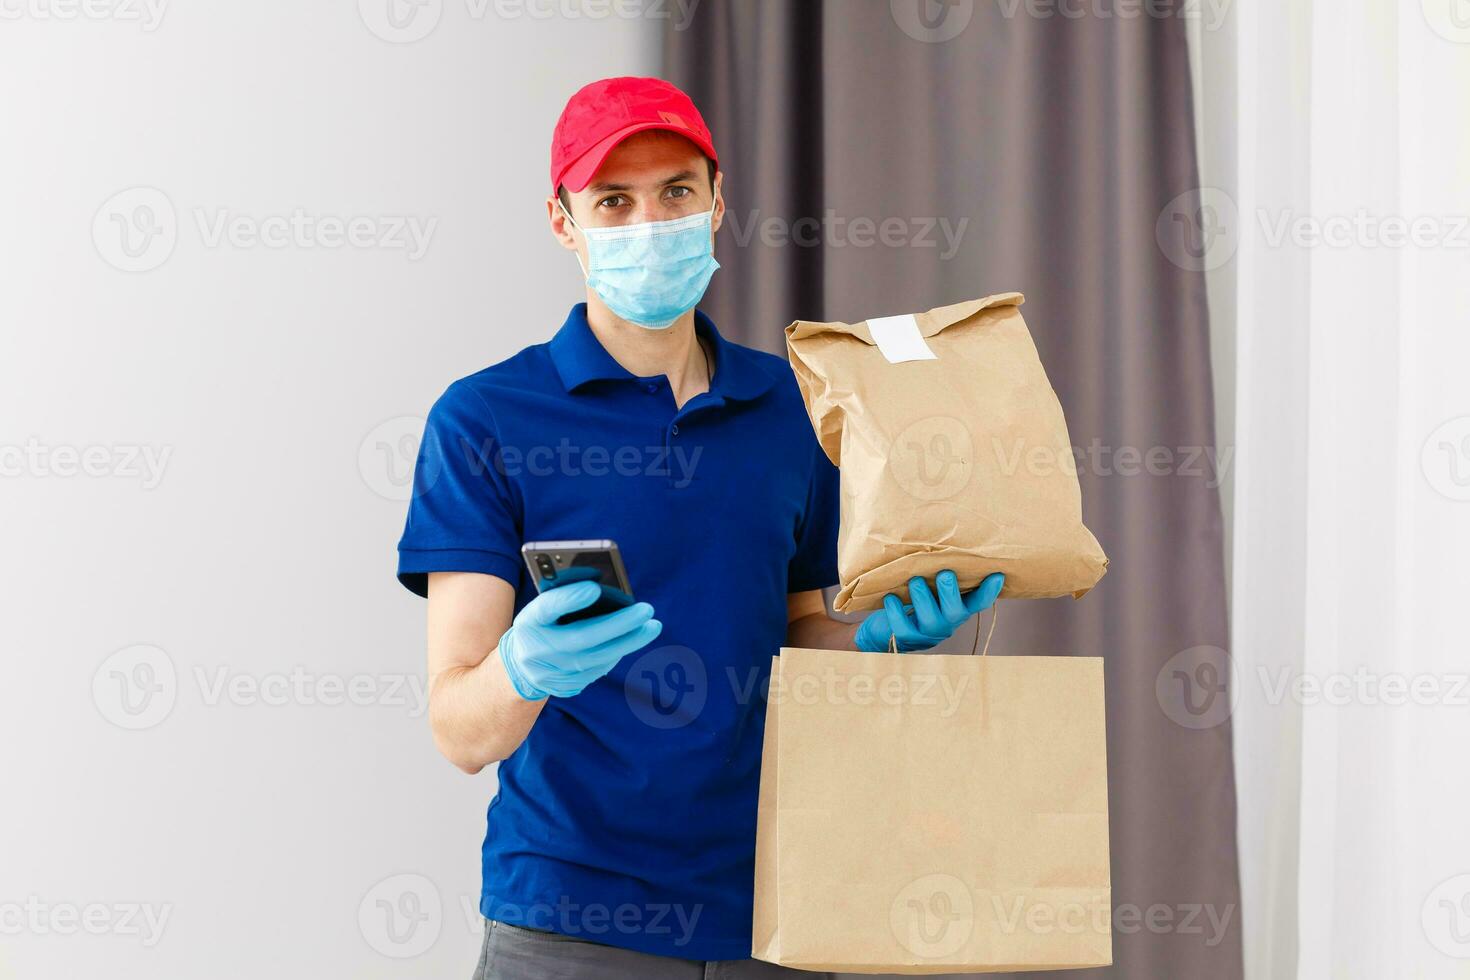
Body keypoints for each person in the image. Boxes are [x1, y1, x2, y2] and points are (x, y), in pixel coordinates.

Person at [396, 75, 1004, 980]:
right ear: (564, 222)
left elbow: (798, 630)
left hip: (776, 907)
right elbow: (460, 730)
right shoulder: (485, 419)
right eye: (613, 201)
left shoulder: (793, 408)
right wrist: (523, 668)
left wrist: (874, 639)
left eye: (677, 191)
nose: (650, 224)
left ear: (719, 202)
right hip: (572, 916)